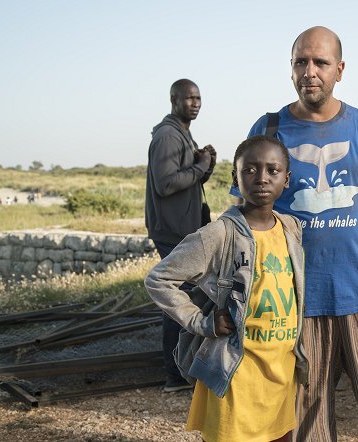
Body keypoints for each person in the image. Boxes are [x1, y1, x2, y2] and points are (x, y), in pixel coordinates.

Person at [234, 26, 358, 441]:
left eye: (320, 62)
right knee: (306, 422)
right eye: (301, 61)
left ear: (339, 69)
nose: (310, 71)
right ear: (290, 69)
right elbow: (243, 216)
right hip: (297, 305)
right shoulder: (268, 131)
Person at [146, 135, 308, 442]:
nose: (261, 177)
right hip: (236, 377)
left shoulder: (291, 229)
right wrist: (201, 322)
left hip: (280, 376)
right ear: (236, 177)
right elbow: (159, 279)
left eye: (272, 170)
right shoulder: (218, 234)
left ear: (286, 179)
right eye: (250, 170)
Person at [145, 78, 217, 392]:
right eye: (189, 98)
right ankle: (176, 375)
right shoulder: (167, 135)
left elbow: (187, 180)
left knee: (188, 295)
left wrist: (204, 162)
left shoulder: (181, 134)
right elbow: (165, 184)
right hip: (171, 230)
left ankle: (182, 369)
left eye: (198, 98)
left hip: (181, 227)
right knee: (179, 297)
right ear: (174, 99)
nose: (195, 103)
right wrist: (200, 166)